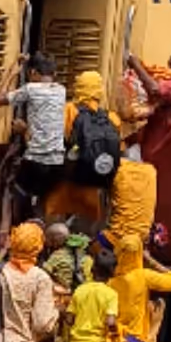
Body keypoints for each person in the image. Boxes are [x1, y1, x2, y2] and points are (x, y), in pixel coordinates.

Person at [44, 70, 124, 228]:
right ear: (99, 90)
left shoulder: (67, 111)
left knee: (55, 232)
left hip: (65, 182)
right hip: (93, 187)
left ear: (78, 87)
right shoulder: (112, 118)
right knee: (83, 235)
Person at [0, 52, 66, 217]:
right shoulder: (61, 90)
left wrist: (12, 73)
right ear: (54, 74)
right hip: (56, 162)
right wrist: (27, 129)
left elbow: (0, 99)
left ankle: (20, 234)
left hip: (35, 160)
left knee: (16, 193)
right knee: (42, 203)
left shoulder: (31, 89)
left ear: (32, 73)